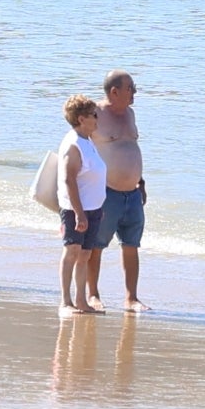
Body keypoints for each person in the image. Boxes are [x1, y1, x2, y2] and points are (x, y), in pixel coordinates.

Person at [87, 71, 149, 312]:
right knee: (96, 245)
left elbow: (131, 147)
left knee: (132, 245)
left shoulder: (130, 114)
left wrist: (140, 182)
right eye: (131, 88)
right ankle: (93, 294)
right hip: (106, 192)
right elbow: (78, 144)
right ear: (114, 92)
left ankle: (131, 298)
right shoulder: (95, 113)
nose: (134, 92)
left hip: (132, 194)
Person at [56, 95, 107, 317]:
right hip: (75, 209)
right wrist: (79, 214)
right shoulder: (73, 144)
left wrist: (98, 208)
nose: (97, 119)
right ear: (81, 118)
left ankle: (81, 300)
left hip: (93, 208)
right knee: (72, 251)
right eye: (93, 115)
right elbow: (69, 180)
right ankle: (65, 301)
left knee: (85, 254)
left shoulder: (88, 140)